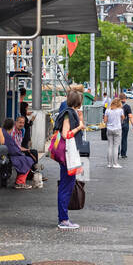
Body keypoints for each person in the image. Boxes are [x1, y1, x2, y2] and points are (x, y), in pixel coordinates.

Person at [54, 86, 85, 230]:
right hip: (68, 155)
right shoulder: (69, 114)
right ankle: (63, 219)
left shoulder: (67, 112)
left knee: (65, 186)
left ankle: (64, 218)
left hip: (67, 154)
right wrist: (79, 127)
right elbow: (66, 134)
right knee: (66, 186)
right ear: (78, 102)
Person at [105, 98, 125, 169]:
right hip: (117, 129)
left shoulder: (107, 110)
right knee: (116, 147)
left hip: (109, 129)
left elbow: (105, 120)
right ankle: (115, 163)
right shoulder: (120, 110)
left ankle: (109, 164)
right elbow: (123, 118)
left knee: (110, 146)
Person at [119, 94, 133, 159]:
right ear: (125, 99)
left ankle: (116, 153)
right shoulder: (127, 106)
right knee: (124, 139)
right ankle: (123, 154)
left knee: (116, 139)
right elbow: (130, 116)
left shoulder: (116, 105)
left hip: (117, 124)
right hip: (125, 124)